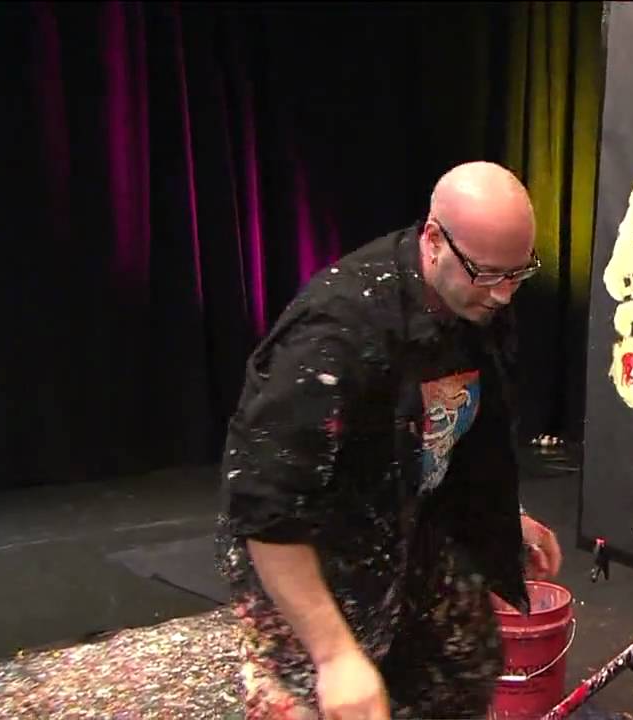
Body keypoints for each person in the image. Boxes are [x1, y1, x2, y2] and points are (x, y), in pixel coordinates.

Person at [215, 161, 564, 720]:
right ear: (433, 239)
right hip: (315, 546)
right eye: (487, 273)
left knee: (464, 663)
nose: (503, 295)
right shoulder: (335, 332)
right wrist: (333, 656)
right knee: (331, 700)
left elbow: (456, 428)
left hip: (405, 518)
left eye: (517, 274)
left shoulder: (477, 296)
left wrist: (504, 514)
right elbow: (265, 506)